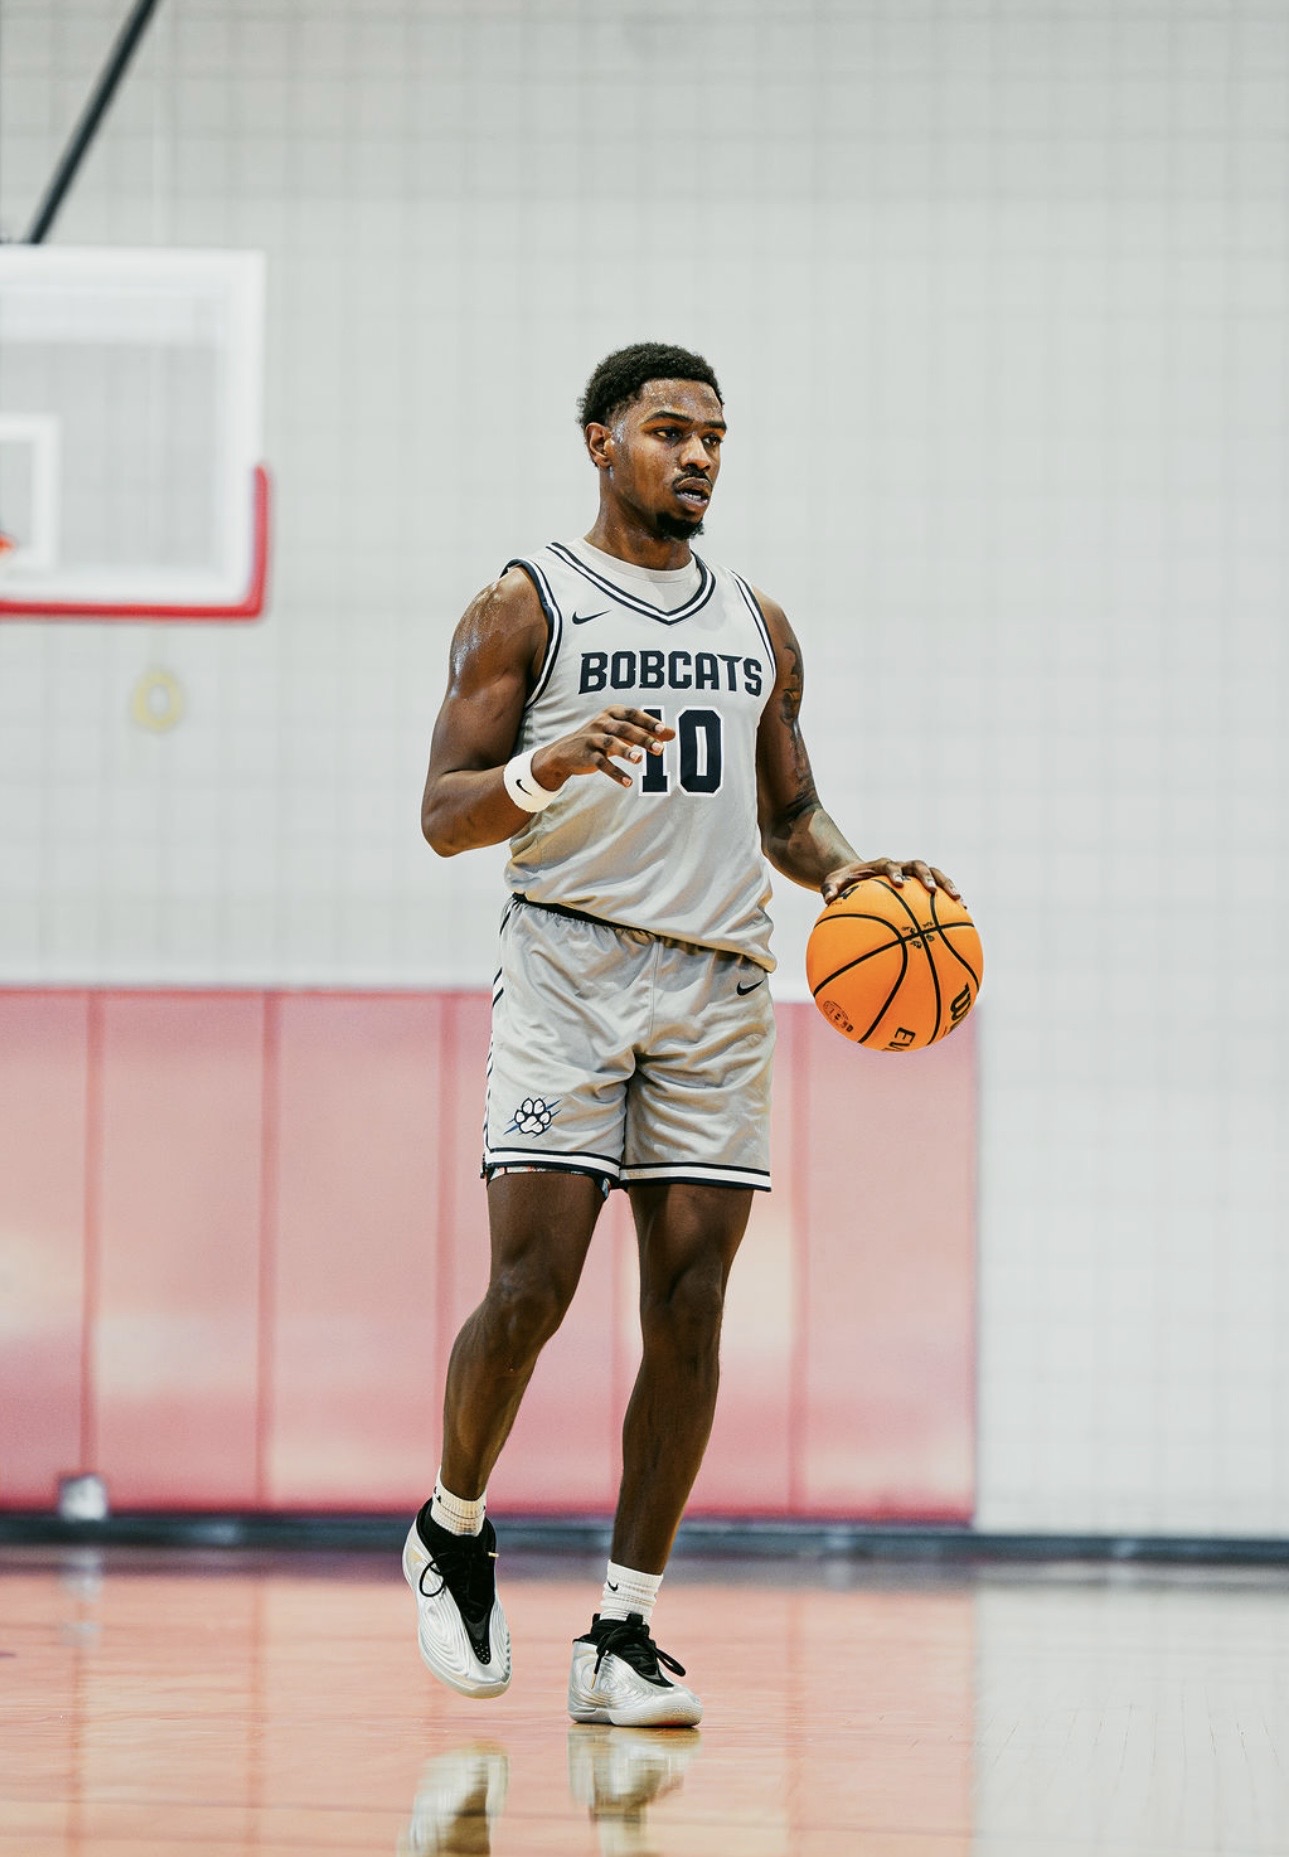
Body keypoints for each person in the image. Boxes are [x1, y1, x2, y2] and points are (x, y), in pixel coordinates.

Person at [407, 341, 958, 1728]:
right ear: (600, 442)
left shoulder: (758, 622)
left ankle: (622, 1628)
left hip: (717, 986)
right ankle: (452, 1528)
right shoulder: (525, 604)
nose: (698, 455)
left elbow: (788, 815)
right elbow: (443, 813)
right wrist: (548, 764)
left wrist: (856, 875)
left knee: (692, 1307)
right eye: (668, 431)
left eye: (713, 436)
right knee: (531, 1289)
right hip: (570, 966)